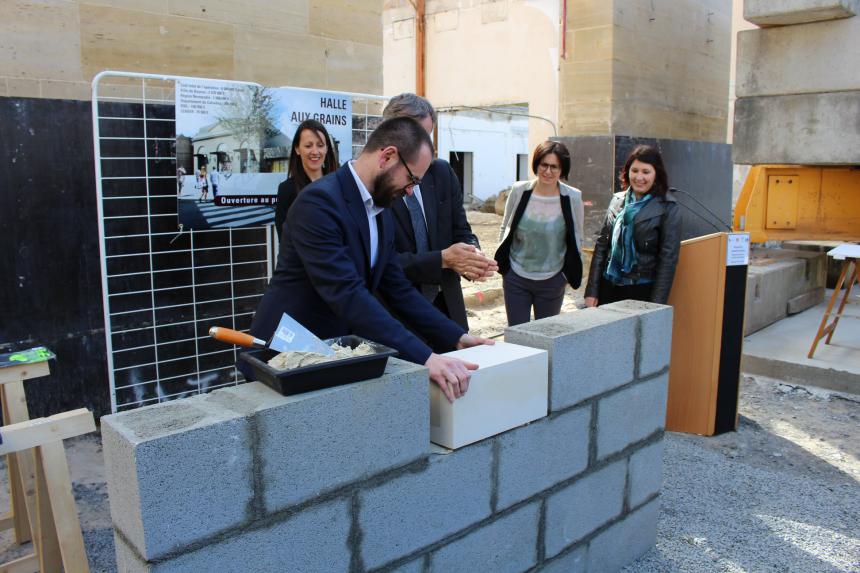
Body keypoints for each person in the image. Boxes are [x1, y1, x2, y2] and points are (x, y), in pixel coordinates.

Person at [247, 117, 493, 402]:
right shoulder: (318, 204)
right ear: (387, 156)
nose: (411, 191)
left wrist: (455, 336)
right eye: (412, 179)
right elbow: (347, 293)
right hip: (288, 352)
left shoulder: (380, 207)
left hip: (332, 350)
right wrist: (426, 357)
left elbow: (396, 288)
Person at [382, 93, 497, 332]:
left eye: (428, 136)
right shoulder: (371, 184)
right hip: (396, 312)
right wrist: (443, 259)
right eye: (416, 135)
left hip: (447, 305)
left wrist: (472, 255)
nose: (424, 145)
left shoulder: (441, 172)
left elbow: (461, 229)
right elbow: (379, 262)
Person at [494, 141, 584, 326]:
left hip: (552, 280)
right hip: (516, 277)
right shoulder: (520, 190)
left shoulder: (572, 197)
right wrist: (505, 269)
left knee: (545, 337)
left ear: (562, 169)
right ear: (536, 164)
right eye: (544, 164)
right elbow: (505, 227)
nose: (548, 171)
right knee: (518, 336)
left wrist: (564, 277)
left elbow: (577, 237)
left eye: (554, 167)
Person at [585, 144, 681, 307]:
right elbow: (602, 247)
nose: (639, 177)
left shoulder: (668, 207)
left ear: (656, 174)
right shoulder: (617, 200)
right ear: (627, 171)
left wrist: (656, 305)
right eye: (635, 171)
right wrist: (592, 291)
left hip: (642, 291)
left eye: (646, 172)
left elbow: (668, 260)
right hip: (609, 286)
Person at [274, 120, 338, 241]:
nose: (315, 152)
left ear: (327, 148)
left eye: (320, 145)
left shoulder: (340, 185)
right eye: (308, 146)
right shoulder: (287, 190)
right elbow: (284, 240)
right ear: (297, 149)